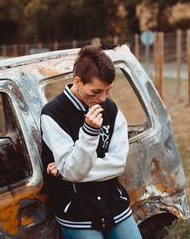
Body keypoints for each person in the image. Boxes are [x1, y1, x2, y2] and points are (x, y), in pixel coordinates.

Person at [40, 45, 142, 239]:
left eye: (107, 91)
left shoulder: (111, 110)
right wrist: (89, 133)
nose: (102, 99)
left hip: (114, 204)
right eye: (95, 92)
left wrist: (65, 172)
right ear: (77, 81)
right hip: (76, 212)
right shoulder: (52, 115)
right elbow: (74, 171)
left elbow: (118, 163)